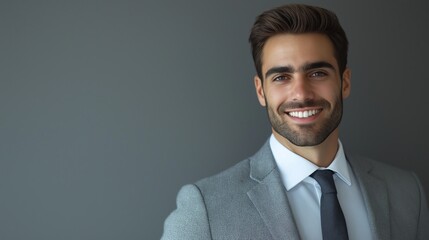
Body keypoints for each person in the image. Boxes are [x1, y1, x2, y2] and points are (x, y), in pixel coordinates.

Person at [161, 4, 429, 240]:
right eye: (281, 77)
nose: (301, 93)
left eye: (317, 72)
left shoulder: (407, 193)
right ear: (260, 90)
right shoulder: (205, 208)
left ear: (344, 82)